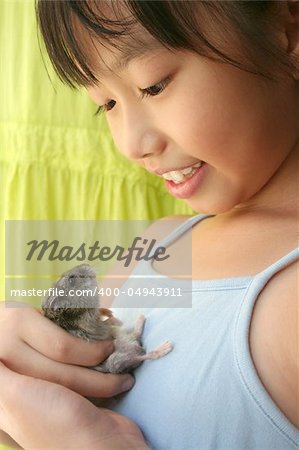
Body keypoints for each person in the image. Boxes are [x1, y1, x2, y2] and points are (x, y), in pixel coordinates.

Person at [1, 1, 298, 448]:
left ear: (286, 34)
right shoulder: (160, 243)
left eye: (154, 86)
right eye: (106, 104)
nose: (130, 143)